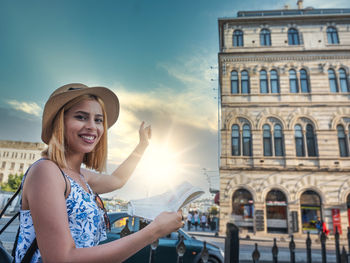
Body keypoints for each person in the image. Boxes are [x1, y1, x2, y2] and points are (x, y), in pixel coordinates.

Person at [14, 83, 182, 263]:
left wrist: (142, 146)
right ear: (59, 122)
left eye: (98, 120)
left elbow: (117, 179)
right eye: (81, 117)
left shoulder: (80, 176)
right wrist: (153, 231)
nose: (92, 126)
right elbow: (61, 259)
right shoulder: (46, 171)